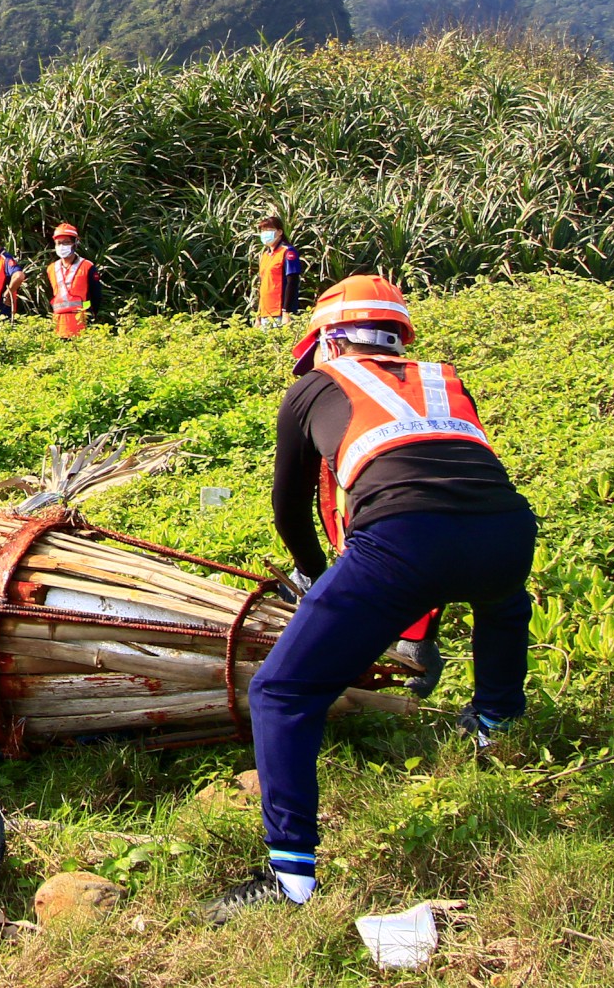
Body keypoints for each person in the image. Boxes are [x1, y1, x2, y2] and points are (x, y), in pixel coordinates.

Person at [208, 275, 535, 924]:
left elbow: (290, 509)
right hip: (506, 529)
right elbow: (448, 478)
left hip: (401, 541)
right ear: (394, 335)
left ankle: (290, 879)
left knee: (281, 692)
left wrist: (313, 578)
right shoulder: (442, 376)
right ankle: (493, 724)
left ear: (327, 339)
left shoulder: (310, 388)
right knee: (503, 602)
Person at [45, 224, 98, 338]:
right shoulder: (51, 269)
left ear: (75, 244)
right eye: (59, 243)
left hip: (81, 324)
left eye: (66, 242)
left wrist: (87, 312)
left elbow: (96, 296)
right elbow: (51, 297)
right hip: (58, 325)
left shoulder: (87, 266)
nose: (62, 246)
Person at [254, 216, 303, 327]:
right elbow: (263, 286)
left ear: (280, 232)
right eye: (263, 231)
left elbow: (292, 282)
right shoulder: (265, 255)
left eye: (269, 231)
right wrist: (258, 316)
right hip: (265, 313)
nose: (265, 234)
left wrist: (286, 312)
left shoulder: (288, 252)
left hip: (280, 312)